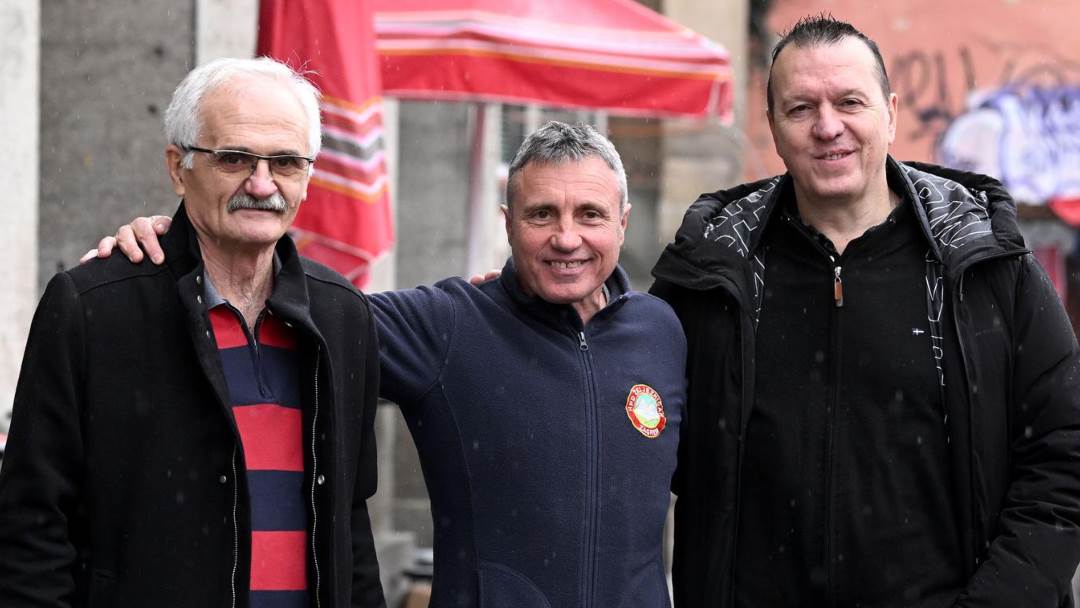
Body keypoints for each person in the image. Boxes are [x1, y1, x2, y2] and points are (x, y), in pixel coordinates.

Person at [89, 121, 687, 607]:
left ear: (622, 222)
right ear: (507, 223)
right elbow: (284, 299)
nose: (566, 238)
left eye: (590, 215)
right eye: (541, 215)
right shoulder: (449, 325)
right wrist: (184, 245)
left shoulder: (662, 331)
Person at [650, 14, 1080, 608]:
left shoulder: (984, 265)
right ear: (772, 125)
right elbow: (627, 428)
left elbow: (1064, 452)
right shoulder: (711, 273)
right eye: (801, 108)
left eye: (849, 102)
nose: (828, 127)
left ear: (891, 113)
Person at [0, 58, 385, 607]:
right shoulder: (93, 308)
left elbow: (350, 525)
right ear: (178, 169)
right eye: (234, 158)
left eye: (285, 162)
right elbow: (31, 527)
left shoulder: (343, 316)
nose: (262, 184)